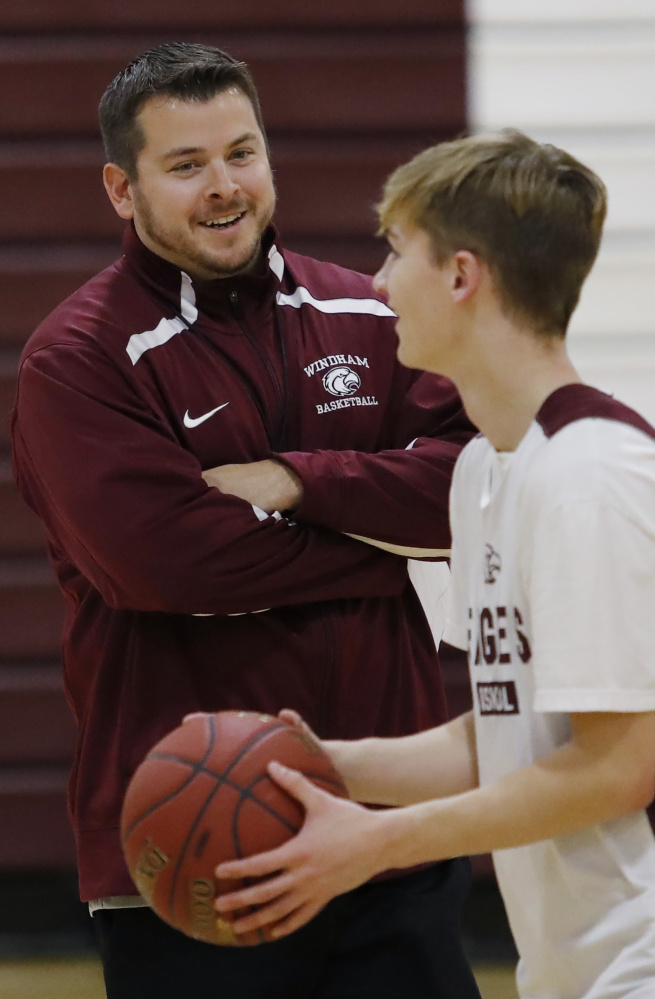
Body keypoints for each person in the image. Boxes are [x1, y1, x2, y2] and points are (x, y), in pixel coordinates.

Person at [10, 42, 481, 999]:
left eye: (241, 153)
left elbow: (473, 490)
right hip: (187, 854)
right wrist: (384, 541)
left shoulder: (371, 313)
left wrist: (297, 481)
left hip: (388, 838)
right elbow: (171, 565)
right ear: (121, 188)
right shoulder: (79, 360)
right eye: (185, 166)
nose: (224, 187)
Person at [210, 130, 655, 999]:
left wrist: (377, 840)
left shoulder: (588, 477)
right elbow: (506, 731)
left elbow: (618, 766)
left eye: (396, 249)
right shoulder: (485, 468)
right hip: (576, 961)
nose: (377, 283)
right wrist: (323, 765)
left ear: (460, 276)